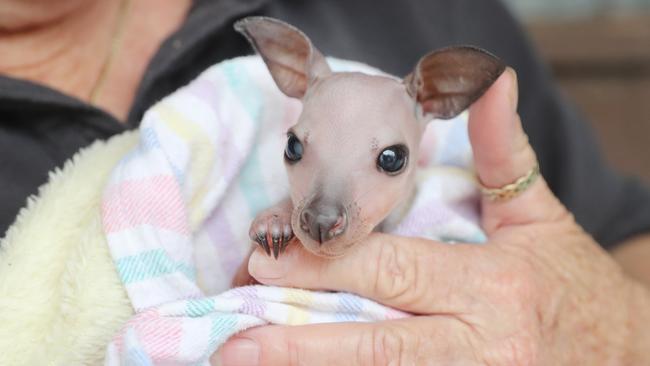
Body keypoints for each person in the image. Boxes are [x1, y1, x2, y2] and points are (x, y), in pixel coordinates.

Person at [1, 0, 649, 363]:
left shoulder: (427, 16)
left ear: (443, 93)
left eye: (389, 160)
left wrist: (611, 329)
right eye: (295, 150)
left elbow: (627, 238)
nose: (324, 213)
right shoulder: (224, 124)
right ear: (287, 73)